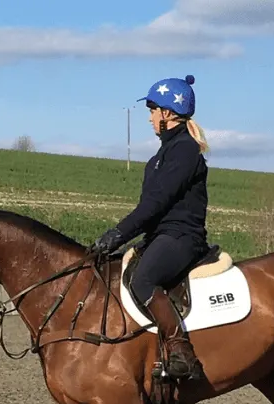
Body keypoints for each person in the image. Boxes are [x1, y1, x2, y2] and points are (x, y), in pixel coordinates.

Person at [90, 74, 212, 381]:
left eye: (152, 110)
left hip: (182, 237)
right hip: (161, 236)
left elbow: (155, 204)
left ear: (168, 114)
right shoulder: (160, 156)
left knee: (143, 280)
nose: (149, 118)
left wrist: (117, 234)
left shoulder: (185, 150)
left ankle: (181, 352)